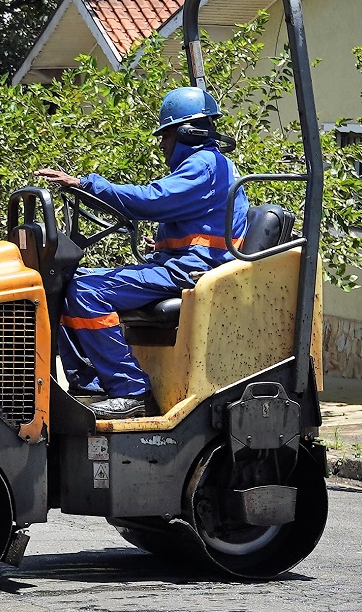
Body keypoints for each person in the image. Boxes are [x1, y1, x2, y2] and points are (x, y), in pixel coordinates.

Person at [35, 85, 249, 420]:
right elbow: (194, 222)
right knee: (63, 283)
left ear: (185, 133)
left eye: (165, 136)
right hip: (185, 262)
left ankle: (130, 392)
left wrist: (87, 185)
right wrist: (161, 244)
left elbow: (153, 201)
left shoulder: (204, 165)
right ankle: (88, 387)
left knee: (84, 292)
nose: (163, 145)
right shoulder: (206, 165)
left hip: (194, 269)